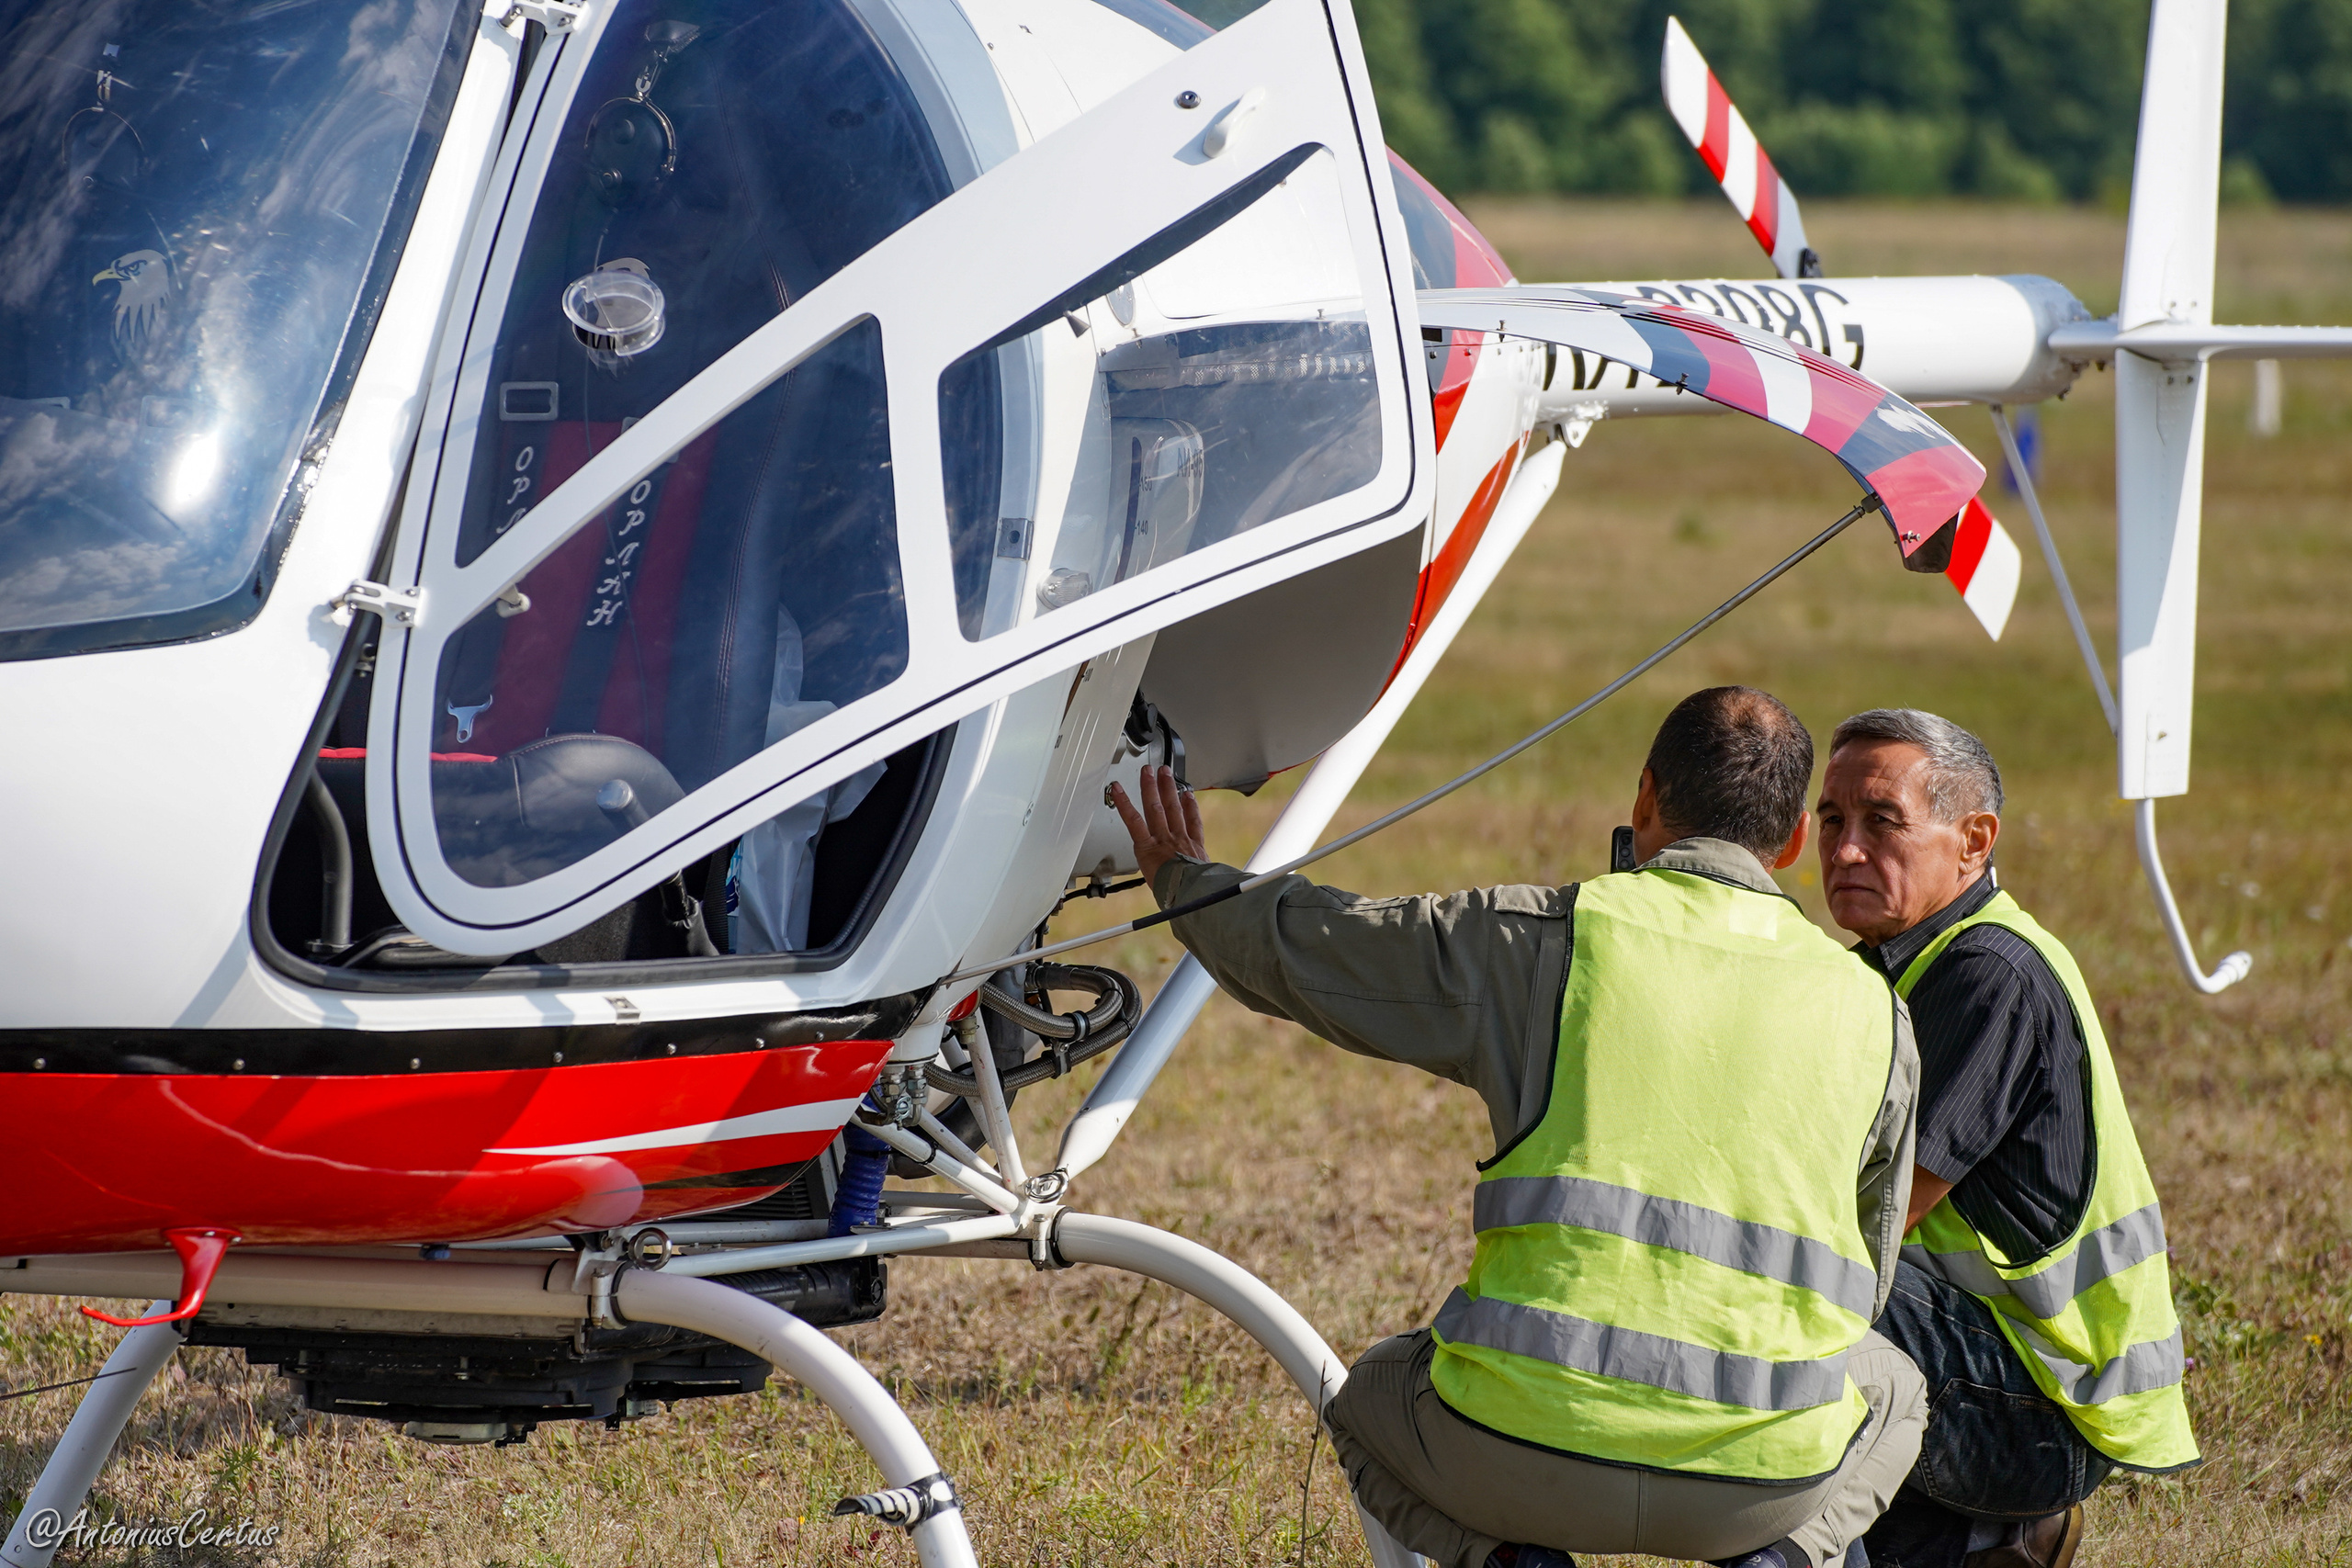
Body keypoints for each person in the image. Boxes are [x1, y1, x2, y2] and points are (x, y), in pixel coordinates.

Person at [1114, 687, 1925, 1568]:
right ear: (1796, 839)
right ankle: (1782, 1560)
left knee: (1367, 1400)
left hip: (1515, 1453)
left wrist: (1183, 879)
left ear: (1645, 798)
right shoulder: (1877, 1012)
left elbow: (1317, 947)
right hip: (1761, 1484)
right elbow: (1868, 1278)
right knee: (1900, 1391)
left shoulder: (1541, 936)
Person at [1812, 710, 2200, 1568]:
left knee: (1790, 1279)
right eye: (1831, 819)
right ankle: (1983, 1541)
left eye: (1883, 821)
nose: (1846, 850)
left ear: (1974, 840)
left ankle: (2000, 1522)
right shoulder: (1889, 964)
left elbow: (1869, 1219)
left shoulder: (1989, 974)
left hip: (2044, 1415)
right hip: (1992, 1366)